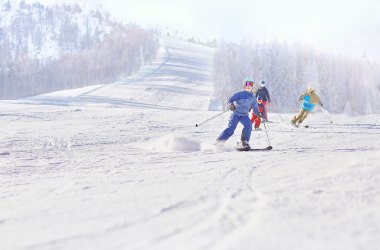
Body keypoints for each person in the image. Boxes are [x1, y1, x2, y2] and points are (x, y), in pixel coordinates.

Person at [216, 77, 260, 149]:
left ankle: (244, 142)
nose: (249, 86)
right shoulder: (239, 94)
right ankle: (219, 141)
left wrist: (258, 113)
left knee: (248, 125)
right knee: (231, 129)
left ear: (253, 86)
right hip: (236, 114)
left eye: (251, 84)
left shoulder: (252, 97)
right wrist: (231, 105)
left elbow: (255, 107)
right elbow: (229, 100)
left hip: (244, 116)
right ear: (244, 85)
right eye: (247, 84)